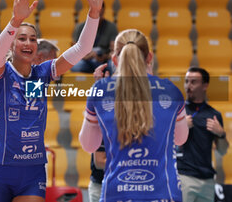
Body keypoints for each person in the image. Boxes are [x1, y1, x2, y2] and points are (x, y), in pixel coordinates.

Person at [0, 0, 105, 202]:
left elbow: (82, 48)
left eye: (33, 39)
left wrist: (93, 13)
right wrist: (15, 21)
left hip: (33, 168)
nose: (28, 43)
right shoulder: (1, 74)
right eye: (22, 39)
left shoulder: (41, 75)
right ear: (13, 44)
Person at [79, 29, 189, 202]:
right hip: (163, 193)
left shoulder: (99, 91)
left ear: (114, 59)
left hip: (117, 193)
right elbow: (181, 139)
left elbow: (89, 145)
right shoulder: (171, 91)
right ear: (149, 57)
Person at [177, 67, 229, 202]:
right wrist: (180, 128)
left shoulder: (214, 115)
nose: (188, 86)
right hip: (184, 177)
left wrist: (221, 134)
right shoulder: (177, 111)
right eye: (186, 81)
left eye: (194, 82)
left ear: (205, 85)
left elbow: (222, 151)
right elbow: (163, 143)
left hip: (207, 181)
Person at [71, 2, 117, 74]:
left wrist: (104, 57)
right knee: (76, 66)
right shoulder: (80, 27)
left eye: (100, 13)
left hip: (104, 61)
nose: (98, 15)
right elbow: (74, 50)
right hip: (85, 60)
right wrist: (86, 57)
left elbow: (114, 50)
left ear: (104, 10)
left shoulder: (111, 27)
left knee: (114, 65)